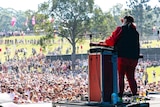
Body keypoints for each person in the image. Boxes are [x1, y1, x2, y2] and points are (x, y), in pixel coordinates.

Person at [99, 16, 140, 98]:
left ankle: (120, 96)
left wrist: (102, 43)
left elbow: (111, 41)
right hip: (133, 58)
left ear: (125, 21)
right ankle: (135, 95)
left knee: (120, 76)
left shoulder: (120, 29)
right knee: (131, 77)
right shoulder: (135, 32)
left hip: (122, 57)